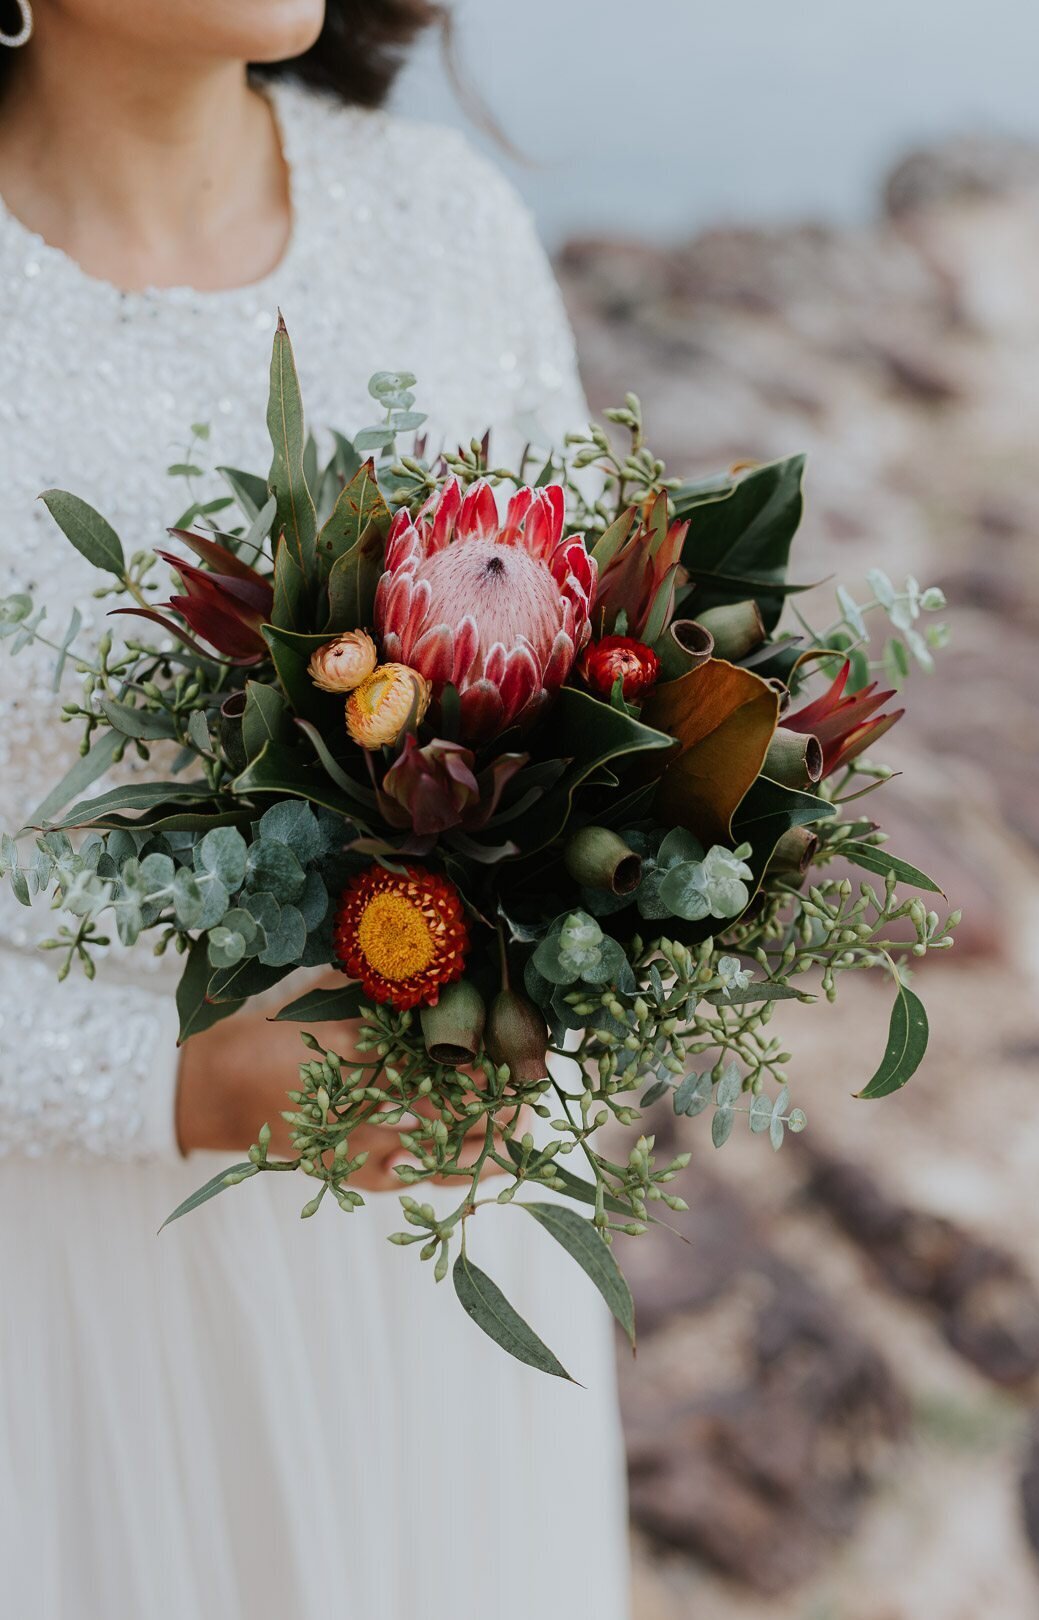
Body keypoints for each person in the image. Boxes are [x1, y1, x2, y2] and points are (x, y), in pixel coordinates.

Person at [0, 4, 629, 1616]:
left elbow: (602, 707)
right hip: (66, 1297)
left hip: (438, 1262)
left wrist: (578, 967)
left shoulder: (443, 220)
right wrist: (178, 1083)